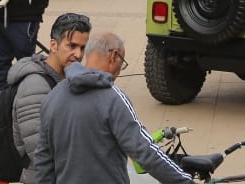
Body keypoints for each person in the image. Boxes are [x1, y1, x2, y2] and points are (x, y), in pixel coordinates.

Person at [31, 31, 191, 184]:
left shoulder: (53, 96)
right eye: (122, 62)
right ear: (114, 56)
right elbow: (145, 151)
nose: (119, 71)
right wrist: (184, 181)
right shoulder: (113, 99)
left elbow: (43, 161)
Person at [8, 12, 92, 183]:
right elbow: (39, 151)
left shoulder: (66, 79)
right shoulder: (35, 87)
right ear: (54, 45)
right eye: (72, 46)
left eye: (83, 48)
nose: (78, 54)